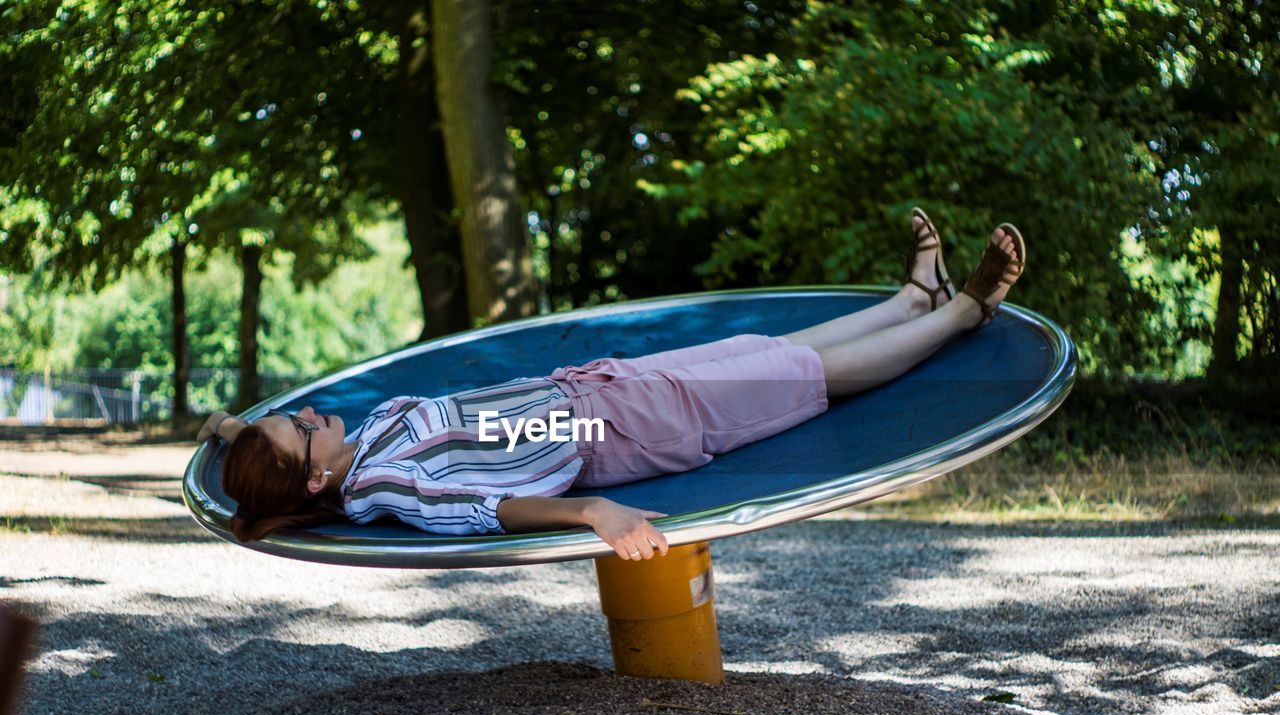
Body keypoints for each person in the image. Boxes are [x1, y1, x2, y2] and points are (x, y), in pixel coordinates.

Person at [199, 213, 1024, 562]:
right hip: (609, 431)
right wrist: (593, 510)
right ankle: (964, 312)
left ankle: (911, 298)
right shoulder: (379, 482)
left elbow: (261, 453)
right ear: (315, 475)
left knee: (767, 345)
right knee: (803, 374)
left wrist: (232, 429)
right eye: (295, 429)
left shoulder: (352, 449)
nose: (306, 411)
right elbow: (479, 511)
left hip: (594, 390)